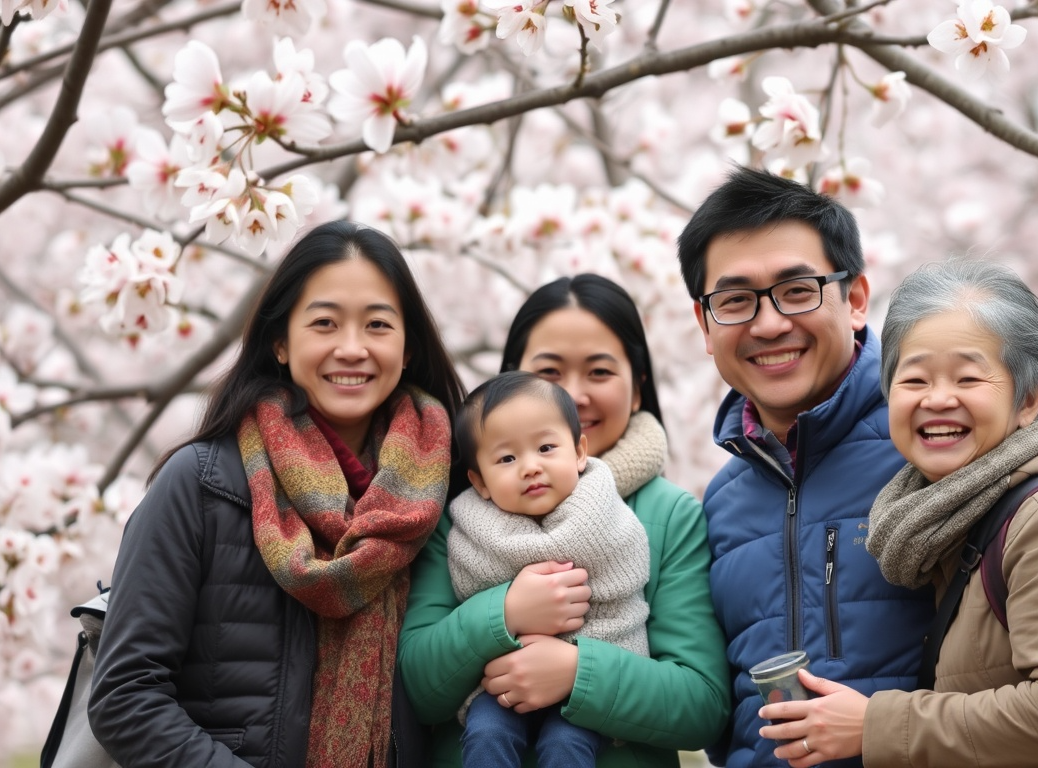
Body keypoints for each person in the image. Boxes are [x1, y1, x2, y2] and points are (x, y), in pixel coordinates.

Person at [88, 221, 466, 768]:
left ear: (408, 348)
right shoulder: (200, 486)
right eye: (325, 323)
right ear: (281, 343)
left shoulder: (451, 489)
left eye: (378, 325)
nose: (353, 348)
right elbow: (125, 695)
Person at [758, 259, 1038, 767]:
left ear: (1029, 400)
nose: (939, 399)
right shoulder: (944, 518)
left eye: (969, 377)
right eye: (915, 379)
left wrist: (875, 725)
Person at [400, 273, 731, 767]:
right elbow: (418, 688)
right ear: (507, 383)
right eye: (549, 374)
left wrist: (578, 672)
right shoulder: (459, 515)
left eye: (599, 372)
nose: (574, 395)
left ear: (637, 389)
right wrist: (503, 614)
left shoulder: (670, 516)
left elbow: (702, 705)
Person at [674, 167, 934, 767]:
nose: (769, 325)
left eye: (797, 290)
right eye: (735, 301)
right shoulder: (719, 504)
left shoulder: (937, 441)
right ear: (704, 326)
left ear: (857, 300)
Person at [448, 370, 651, 767]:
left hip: (590, 674)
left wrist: (580, 665)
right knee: (486, 733)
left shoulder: (609, 515)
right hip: (502, 679)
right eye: (506, 458)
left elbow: (622, 596)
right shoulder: (470, 532)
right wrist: (507, 612)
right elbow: (465, 603)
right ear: (480, 481)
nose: (530, 467)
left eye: (545, 447)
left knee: (566, 745)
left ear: (578, 452)